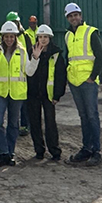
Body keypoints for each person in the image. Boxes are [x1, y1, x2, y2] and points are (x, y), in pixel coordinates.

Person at [63, 2, 102, 166]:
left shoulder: (90, 32)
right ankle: (86, 148)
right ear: (68, 18)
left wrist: (93, 77)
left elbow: (101, 57)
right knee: (83, 116)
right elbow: (68, 58)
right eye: (71, 16)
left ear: (80, 16)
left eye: (76, 15)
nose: (74, 18)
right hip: (74, 82)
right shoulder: (68, 36)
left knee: (92, 115)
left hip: (88, 82)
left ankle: (96, 151)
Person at [0, 21, 34, 167]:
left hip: (17, 93)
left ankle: (9, 153)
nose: (9, 39)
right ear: (2, 37)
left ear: (15, 37)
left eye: (11, 36)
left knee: (13, 124)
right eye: (6, 36)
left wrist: (35, 58)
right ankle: (3, 152)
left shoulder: (23, 52)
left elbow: (30, 71)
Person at [26, 24, 67, 161]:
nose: (43, 40)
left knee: (50, 123)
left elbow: (61, 77)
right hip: (32, 94)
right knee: (34, 123)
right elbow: (27, 72)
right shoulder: (30, 52)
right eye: (40, 37)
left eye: (45, 37)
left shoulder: (56, 54)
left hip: (48, 95)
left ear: (50, 38)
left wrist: (57, 95)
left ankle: (55, 151)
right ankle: (39, 150)